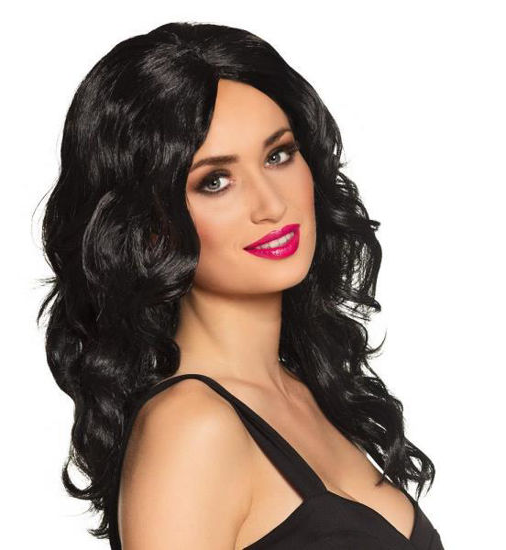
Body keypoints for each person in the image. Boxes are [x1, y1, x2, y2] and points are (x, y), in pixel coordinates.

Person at [38, 21, 444, 549]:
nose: (271, 204)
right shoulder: (192, 427)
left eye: (278, 155)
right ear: (148, 226)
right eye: (215, 181)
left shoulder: (308, 391)